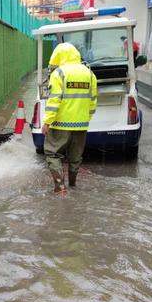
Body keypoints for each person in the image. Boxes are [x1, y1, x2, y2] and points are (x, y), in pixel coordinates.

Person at [41, 42, 97, 193]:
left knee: (52, 153)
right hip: (81, 124)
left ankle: (60, 188)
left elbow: (54, 100)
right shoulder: (89, 74)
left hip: (60, 124)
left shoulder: (59, 73)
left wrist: (47, 122)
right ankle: (73, 184)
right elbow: (93, 101)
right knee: (75, 156)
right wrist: (86, 119)